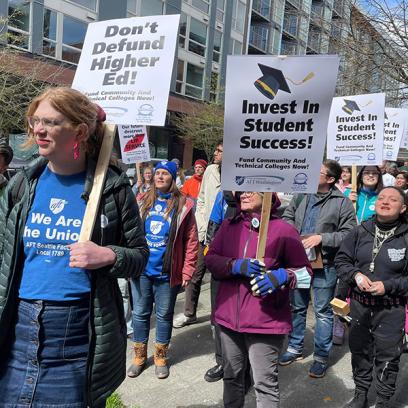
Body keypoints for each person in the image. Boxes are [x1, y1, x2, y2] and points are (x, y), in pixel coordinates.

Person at [0, 87, 149, 407]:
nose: (38, 129)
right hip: (18, 330)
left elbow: (140, 256)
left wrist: (108, 255)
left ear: (79, 131)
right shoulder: (22, 184)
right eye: (35, 120)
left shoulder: (112, 188)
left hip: (76, 336)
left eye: (51, 122)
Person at [205, 191, 312, 408]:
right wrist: (233, 265)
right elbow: (211, 259)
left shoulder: (284, 230)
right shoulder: (229, 226)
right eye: (240, 189)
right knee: (232, 377)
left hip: (265, 322)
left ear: (268, 194)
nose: (243, 193)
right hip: (228, 320)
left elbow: (306, 273)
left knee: (264, 383)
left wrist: (283, 275)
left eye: (251, 189)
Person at [279, 159, 356, 378]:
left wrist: (321, 238)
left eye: (319, 172)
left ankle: (321, 357)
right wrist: (294, 234)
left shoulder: (342, 203)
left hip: (326, 266)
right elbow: (287, 216)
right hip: (298, 262)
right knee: (297, 306)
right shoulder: (301, 194)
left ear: (331, 179)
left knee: (323, 313)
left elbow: (349, 233)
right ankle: (294, 348)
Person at [335, 186, 408, 408]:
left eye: (393, 200)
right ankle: (360, 394)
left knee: (388, 358)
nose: (385, 202)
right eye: (382, 198)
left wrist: (389, 286)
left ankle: (383, 400)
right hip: (359, 306)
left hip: (391, 309)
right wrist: (355, 275)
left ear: (403, 208)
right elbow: (342, 261)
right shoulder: (360, 231)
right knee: (359, 352)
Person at [127, 160, 198, 380]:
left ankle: (160, 357)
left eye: (165, 174)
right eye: (157, 173)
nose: (159, 177)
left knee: (164, 315)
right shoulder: (141, 200)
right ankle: (139, 357)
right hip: (142, 270)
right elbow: (129, 232)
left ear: (173, 178)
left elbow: (191, 240)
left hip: (167, 272)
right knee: (139, 314)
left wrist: (187, 270)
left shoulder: (183, 204)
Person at [173, 141, 224, 381]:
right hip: (206, 233)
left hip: (226, 238)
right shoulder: (212, 171)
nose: (215, 154)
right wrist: (202, 224)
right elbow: (202, 198)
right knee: (195, 273)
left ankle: (218, 319)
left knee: (221, 282)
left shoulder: (239, 170)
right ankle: (190, 312)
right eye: (215, 150)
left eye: (219, 151)